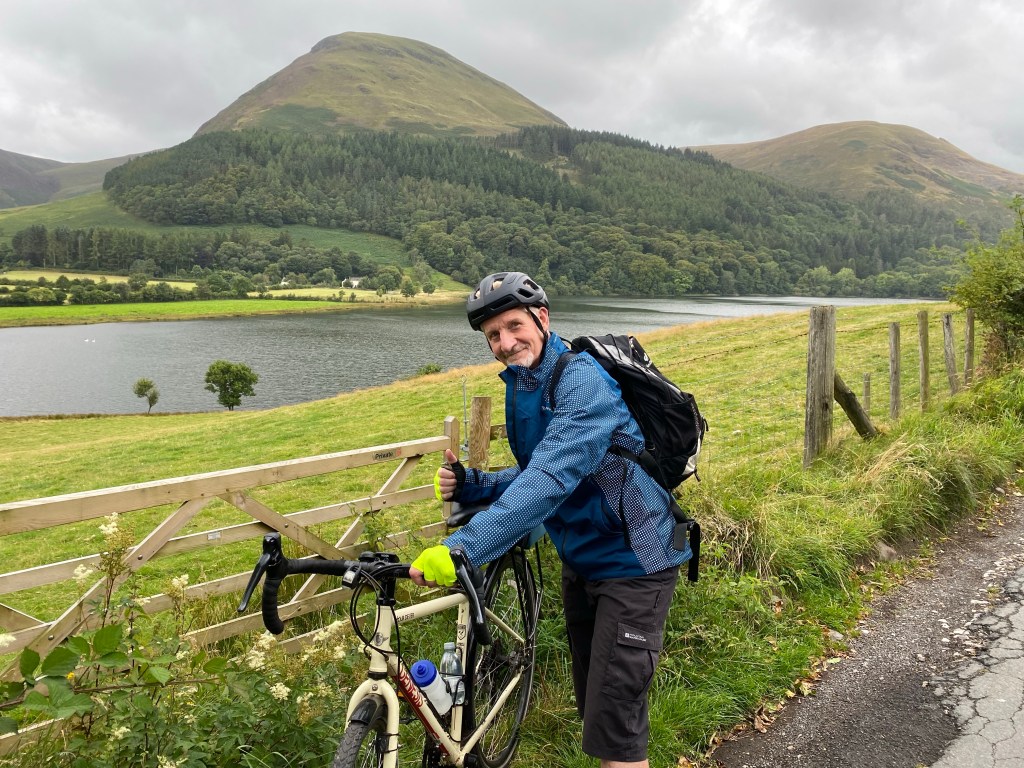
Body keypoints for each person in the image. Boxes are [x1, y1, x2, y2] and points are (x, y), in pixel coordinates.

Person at [410, 272, 691, 768]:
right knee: (599, 713)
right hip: (583, 562)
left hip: (635, 564)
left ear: (541, 317)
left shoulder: (581, 380)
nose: (505, 343)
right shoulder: (526, 383)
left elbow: (549, 479)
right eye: (493, 335)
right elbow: (539, 466)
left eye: (514, 326)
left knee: (618, 733)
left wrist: (463, 547)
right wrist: (473, 484)